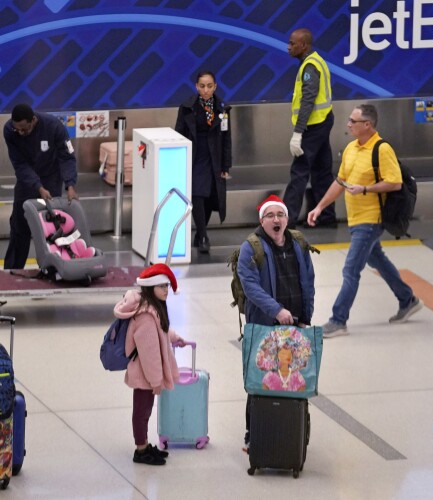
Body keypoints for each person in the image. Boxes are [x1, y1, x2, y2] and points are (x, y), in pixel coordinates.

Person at [307, 104, 424, 338]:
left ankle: (338, 320)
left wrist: (365, 189)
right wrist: (319, 207)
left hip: (372, 219)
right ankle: (407, 299)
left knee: (351, 269)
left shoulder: (382, 149)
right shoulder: (351, 148)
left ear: (367, 125)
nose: (348, 124)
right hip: (355, 218)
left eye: (353, 121)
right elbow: (340, 182)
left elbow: (395, 183)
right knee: (377, 259)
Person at [237, 194, 315, 450]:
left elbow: (308, 281)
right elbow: (250, 286)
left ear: (287, 219)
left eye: (280, 215)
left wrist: (306, 317)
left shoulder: (299, 243)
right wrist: (277, 310)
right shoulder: (252, 246)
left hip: (294, 325)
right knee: (260, 379)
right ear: (262, 220)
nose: (276, 219)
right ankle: (253, 433)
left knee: (294, 378)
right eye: (270, 215)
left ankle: (293, 432)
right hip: (264, 325)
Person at [114, 263, 186, 466]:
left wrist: (174, 337)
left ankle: (144, 444)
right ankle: (141, 449)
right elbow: (149, 353)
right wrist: (156, 380)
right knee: (142, 411)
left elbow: (161, 332)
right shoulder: (145, 316)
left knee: (145, 410)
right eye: (162, 286)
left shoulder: (152, 308)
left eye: (167, 286)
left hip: (146, 372)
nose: (166, 290)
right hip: (144, 373)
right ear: (151, 287)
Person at [3, 103, 78, 269]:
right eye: (18, 130)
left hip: (51, 179)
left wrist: (70, 185)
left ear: (34, 120)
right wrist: (37, 187)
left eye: (24, 129)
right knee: (19, 226)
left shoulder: (53, 126)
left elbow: (66, 157)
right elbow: (19, 163)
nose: (21, 133)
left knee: (51, 228)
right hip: (26, 181)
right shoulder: (10, 130)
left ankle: (52, 268)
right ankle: (12, 271)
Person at [283, 28, 336, 230]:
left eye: (292, 43)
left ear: (303, 45)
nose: (289, 47)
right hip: (323, 121)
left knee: (299, 171)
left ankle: (287, 221)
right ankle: (326, 216)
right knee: (322, 171)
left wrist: (298, 133)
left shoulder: (310, 67)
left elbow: (308, 100)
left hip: (313, 126)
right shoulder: (315, 61)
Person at [175, 70, 232, 254]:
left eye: (209, 86)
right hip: (195, 155)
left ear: (215, 86)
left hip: (213, 156)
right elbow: (178, 134)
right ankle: (204, 235)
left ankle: (200, 234)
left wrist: (225, 166)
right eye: (202, 86)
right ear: (196, 87)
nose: (206, 90)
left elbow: (226, 139)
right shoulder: (187, 107)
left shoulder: (222, 109)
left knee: (209, 196)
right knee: (197, 193)